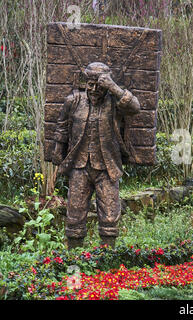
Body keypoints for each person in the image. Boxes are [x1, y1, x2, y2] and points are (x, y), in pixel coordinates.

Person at [52, 62, 140, 249]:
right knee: (74, 214)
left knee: (109, 215)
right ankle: (73, 257)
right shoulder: (74, 101)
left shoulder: (114, 103)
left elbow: (135, 107)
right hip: (79, 166)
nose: (93, 89)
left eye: (98, 85)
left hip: (107, 167)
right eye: (89, 84)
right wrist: (58, 150)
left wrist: (113, 88)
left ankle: (106, 258)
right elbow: (62, 126)